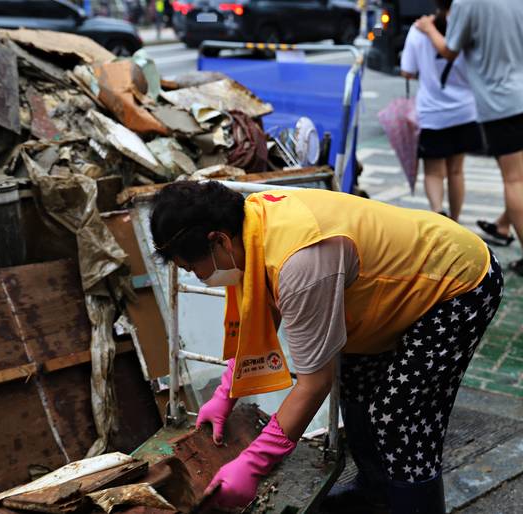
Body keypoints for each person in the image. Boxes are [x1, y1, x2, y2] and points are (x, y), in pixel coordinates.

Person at [150, 181, 503, 513]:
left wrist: (254, 463)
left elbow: (314, 382)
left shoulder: (299, 261)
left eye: (192, 267)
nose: (197, 277)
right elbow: (262, 313)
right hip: (398, 288)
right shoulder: (251, 224)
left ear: (219, 242)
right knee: (356, 387)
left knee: (398, 416)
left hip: (457, 284)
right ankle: (375, 493)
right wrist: (226, 393)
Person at [416, 0, 523, 274]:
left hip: (501, 103)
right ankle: (502, 224)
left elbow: (449, 50)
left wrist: (429, 29)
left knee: (515, 180)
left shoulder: (466, 3)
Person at [400, 0, 480, 221]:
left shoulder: (419, 31)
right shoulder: (468, 27)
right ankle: (455, 221)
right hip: (465, 110)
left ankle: (438, 214)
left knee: (434, 172)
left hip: (432, 113)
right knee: (456, 171)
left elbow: (407, 71)